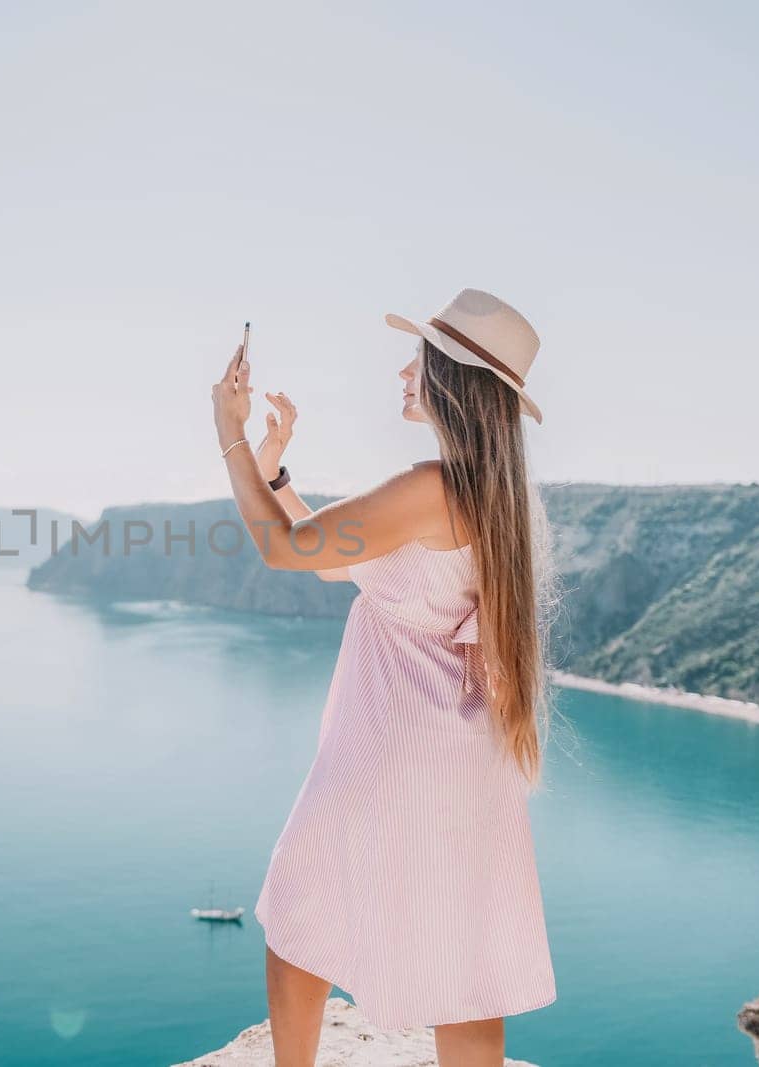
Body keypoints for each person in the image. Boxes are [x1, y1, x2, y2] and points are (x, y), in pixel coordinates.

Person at [210, 289, 560, 1067]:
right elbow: (345, 561)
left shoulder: (428, 486)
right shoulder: (490, 494)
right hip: (466, 754)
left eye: (421, 360)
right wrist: (278, 469)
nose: (405, 371)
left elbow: (286, 549)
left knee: (300, 905)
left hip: (390, 746)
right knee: (464, 964)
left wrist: (230, 437)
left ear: (452, 380)